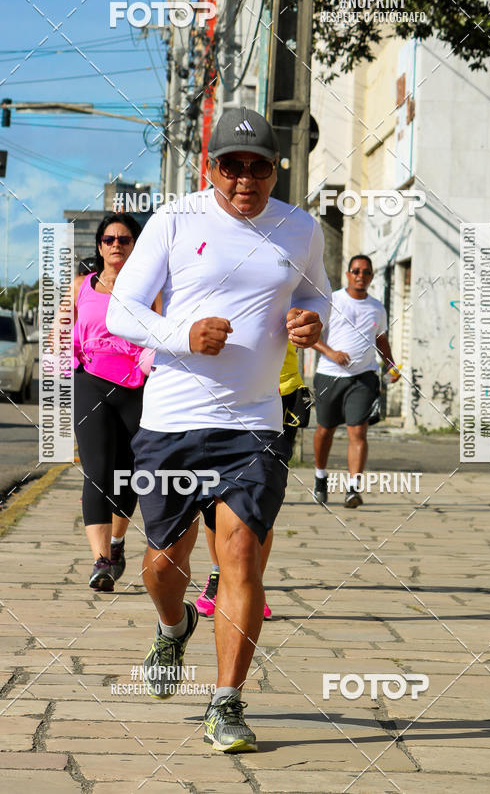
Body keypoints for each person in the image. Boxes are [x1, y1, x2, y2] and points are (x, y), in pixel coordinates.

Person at [106, 106, 330, 753]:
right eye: (232, 166)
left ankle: (226, 703)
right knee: (162, 562)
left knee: (240, 558)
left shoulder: (300, 228)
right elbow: (123, 309)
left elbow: (317, 298)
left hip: (254, 424)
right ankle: (173, 628)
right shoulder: (176, 220)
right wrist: (182, 334)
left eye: (258, 167)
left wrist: (313, 323)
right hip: (173, 420)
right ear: (212, 167)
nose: (245, 180)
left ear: (274, 168)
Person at [73, 213, 159, 592]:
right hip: (89, 382)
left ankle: (118, 542)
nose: (116, 245)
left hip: (137, 387)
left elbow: (160, 332)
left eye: (124, 239)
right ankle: (101, 561)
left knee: (130, 473)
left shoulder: (151, 288)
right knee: (97, 471)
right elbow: (63, 335)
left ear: (135, 245)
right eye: (109, 239)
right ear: (99, 245)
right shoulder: (79, 287)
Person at [195, 342, 310, 620]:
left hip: (280, 391)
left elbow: (311, 310)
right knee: (213, 494)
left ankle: (251, 582)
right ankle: (218, 575)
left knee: (262, 498)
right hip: (221, 389)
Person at [312, 254, 399, 508]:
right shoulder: (332, 301)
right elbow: (312, 336)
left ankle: (353, 489)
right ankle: (320, 476)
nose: (361, 276)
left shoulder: (377, 308)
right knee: (325, 430)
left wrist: (391, 366)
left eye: (366, 272)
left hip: (364, 377)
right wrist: (332, 353)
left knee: (358, 431)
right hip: (330, 376)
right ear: (348, 274)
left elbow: (381, 341)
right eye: (356, 271)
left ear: (371, 277)